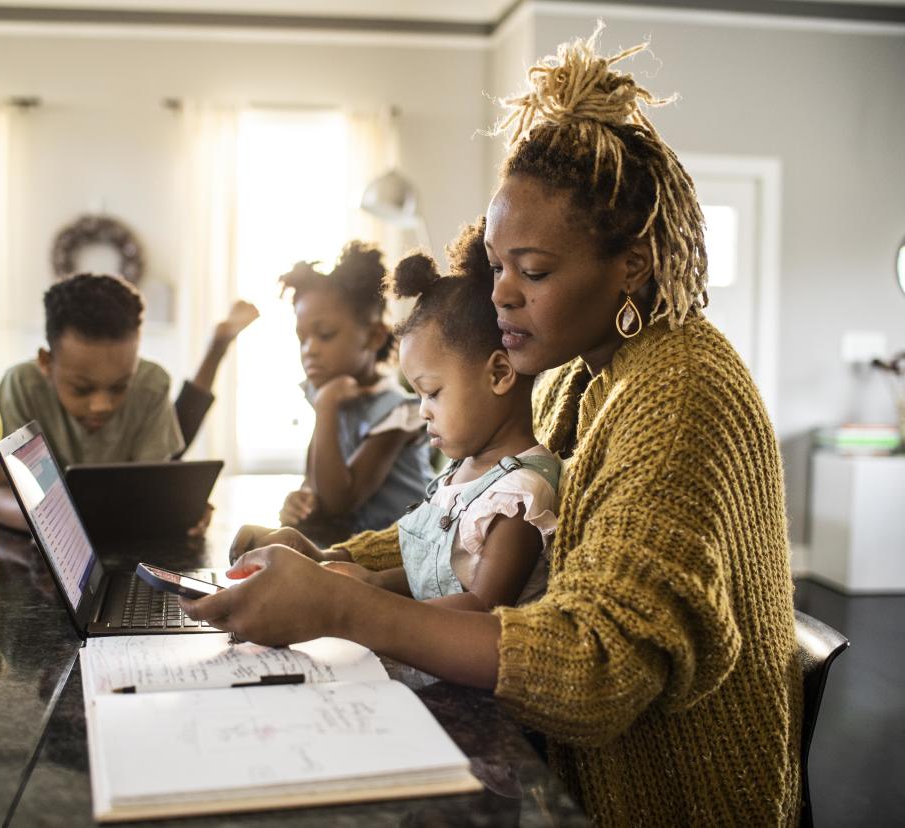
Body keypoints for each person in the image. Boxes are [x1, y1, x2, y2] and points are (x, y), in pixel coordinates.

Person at [185, 28, 800, 826]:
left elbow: (597, 669)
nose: (502, 295)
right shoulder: (581, 371)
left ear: (634, 267)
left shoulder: (680, 394)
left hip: (663, 796)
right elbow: (465, 512)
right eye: (499, 264)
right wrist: (329, 563)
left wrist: (344, 608)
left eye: (534, 271)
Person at [322, 222, 561, 612]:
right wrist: (372, 581)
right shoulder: (461, 471)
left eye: (432, 393)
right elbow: (432, 575)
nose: (422, 411)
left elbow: (479, 608)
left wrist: (363, 603)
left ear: (499, 374)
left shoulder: (519, 495)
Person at [0, 272, 257, 529]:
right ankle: (217, 346)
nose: (102, 405)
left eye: (120, 386)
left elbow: (154, 486)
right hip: (48, 544)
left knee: (177, 443)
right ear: (46, 362)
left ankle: (217, 347)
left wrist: (178, 507)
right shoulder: (20, 385)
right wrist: (60, 521)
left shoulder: (151, 382)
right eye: (82, 388)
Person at [277, 242, 433, 538]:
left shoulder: (398, 412)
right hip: (351, 549)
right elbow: (316, 486)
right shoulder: (328, 396)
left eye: (325, 335)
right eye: (302, 338)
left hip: (404, 554)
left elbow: (339, 502)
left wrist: (326, 407)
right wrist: (300, 501)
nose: (309, 350)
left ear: (373, 337)